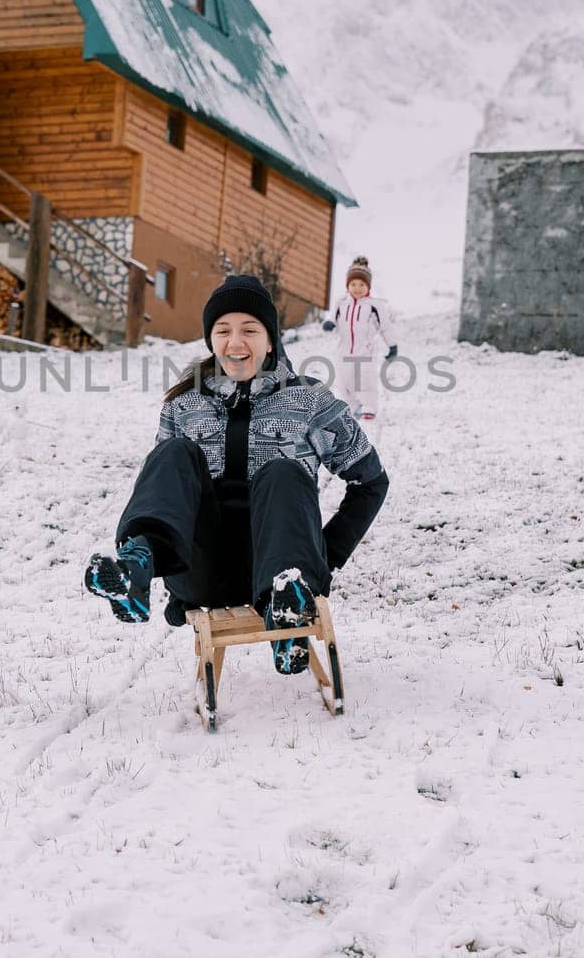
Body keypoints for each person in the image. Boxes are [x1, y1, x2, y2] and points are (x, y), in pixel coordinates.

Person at [84, 274, 389, 675]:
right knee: (173, 454)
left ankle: (290, 611)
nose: (235, 342)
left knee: (282, 471)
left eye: (250, 329)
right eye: (223, 330)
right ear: (211, 339)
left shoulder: (310, 401)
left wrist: (325, 557)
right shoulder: (183, 406)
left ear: (270, 339)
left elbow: (370, 482)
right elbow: (165, 488)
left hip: (283, 572)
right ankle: (138, 567)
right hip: (200, 571)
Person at [323, 255, 398, 422]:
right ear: (347, 285)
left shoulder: (374, 305)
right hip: (344, 349)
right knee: (344, 382)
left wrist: (392, 346)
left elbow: (385, 327)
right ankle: (351, 407)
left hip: (365, 351)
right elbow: (332, 319)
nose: (357, 288)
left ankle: (369, 407)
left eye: (361, 284)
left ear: (368, 286)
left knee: (365, 380)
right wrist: (328, 324)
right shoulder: (341, 302)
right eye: (353, 284)